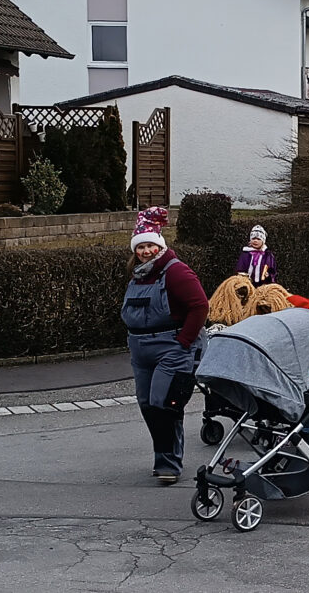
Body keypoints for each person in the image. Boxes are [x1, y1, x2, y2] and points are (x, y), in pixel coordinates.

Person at [120, 207, 208, 485]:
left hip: (172, 349)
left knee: (164, 404)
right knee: (147, 405)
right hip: (140, 351)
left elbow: (200, 306)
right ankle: (163, 455)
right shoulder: (138, 274)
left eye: (150, 245)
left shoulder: (176, 271)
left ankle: (169, 464)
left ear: (160, 245)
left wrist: (184, 343)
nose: (146, 251)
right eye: (140, 247)